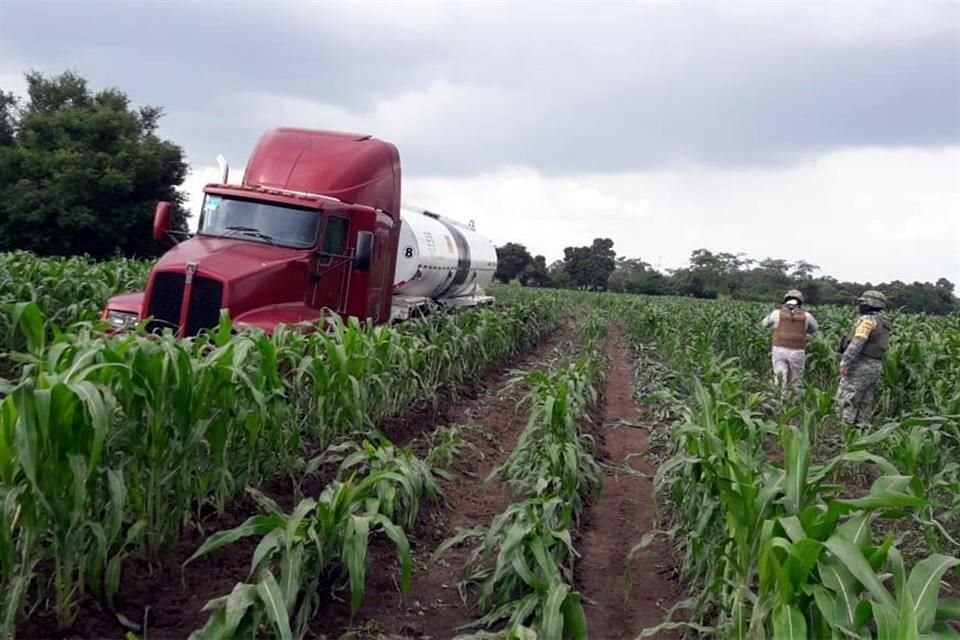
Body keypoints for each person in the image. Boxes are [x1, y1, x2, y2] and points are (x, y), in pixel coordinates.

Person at [835, 290, 890, 425]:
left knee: (848, 398)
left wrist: (845, 362)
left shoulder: (867, 321)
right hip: (875, 366)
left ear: (870, 304)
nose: (860, 306)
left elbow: (857, 343)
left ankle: (845, 432)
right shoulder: (884, 322)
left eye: (862, 303)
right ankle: (862, 431)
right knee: (866, 399)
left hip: (861, 364)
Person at [762, 289, 819, 390]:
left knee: (779, 378)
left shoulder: (776, 313)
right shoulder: (807, 316)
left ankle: (780, 401)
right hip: (797, 351)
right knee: (796, 381)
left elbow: (764, 323)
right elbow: (815, 328)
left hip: (778, 349)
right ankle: (794, 402)